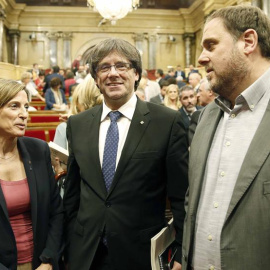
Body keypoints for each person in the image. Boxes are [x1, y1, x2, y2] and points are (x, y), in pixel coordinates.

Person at [63, 38, 189, 270]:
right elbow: (72, 195)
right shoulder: (77, 124)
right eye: (104, 67)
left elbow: (181, 196)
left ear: (137, 74)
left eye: (121, 66)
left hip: (140, 253)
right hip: (86, 254)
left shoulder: (166, 122)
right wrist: (69, 245)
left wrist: (181, 250)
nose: (113, 73)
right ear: (95, 78)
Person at [182, 5, 270, 270]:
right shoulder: (206, 117)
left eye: (210, 45)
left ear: (248, 42)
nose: (201, 58)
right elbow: (192, 199)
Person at [0, 78, 63, 270]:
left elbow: (56, 211)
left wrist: (48, 260)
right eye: (14, 106)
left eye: (26, 107)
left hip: (39, 262)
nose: (24, 114)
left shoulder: (38, 150)